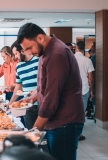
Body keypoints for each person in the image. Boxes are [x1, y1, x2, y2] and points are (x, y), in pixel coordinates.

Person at [17, 23, 85, 160]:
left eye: (29, 47)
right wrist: (32, 98)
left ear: (40, 38)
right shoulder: (45, 51)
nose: (29, 53)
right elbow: (45, 85)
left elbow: (51, 96)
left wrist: (34, 131)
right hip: (56, 121)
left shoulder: (57, 54)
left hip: (65, 122)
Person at [9, 43, 39, 129]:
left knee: (44, 134)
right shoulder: (18, 66)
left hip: (42, 104)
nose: (15, 57)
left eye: (16, 53)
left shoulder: (39, 61)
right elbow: (18, 86)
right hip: (27, 106)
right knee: (31, 133)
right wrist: (11, 103)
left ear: (22, 51)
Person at [74, 41, 94, 141]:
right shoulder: (88, 60)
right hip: (84, 89)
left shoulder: (70, 59)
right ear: (83, 49)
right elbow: (90, 78)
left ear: (75, 48)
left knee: (72, 113)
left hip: (72, 91)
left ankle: (72, 133)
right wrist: (91, 90)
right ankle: (79, 134)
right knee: (81, 114)